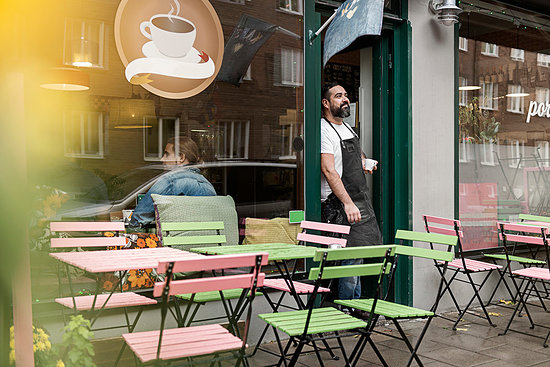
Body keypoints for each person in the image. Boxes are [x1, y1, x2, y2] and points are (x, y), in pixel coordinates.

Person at [320, 82, 382, 300]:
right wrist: (347, 203)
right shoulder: (323, 129)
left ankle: (354, 304)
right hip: (337, 203)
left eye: (346, 95)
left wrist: (365, 162)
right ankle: (347, 305)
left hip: (358, 199)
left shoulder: (346, 127)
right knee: (348, 256)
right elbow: (329, 170)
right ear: (326, 103)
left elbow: (357, 154)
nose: (345, 99)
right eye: (339, 96)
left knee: (360, 254)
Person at [129, 136, 216, 228]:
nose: (162, 159)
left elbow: (139, 218)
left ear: (181, 157)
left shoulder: (171, 181)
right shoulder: (208, 186)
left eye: (166, 154)